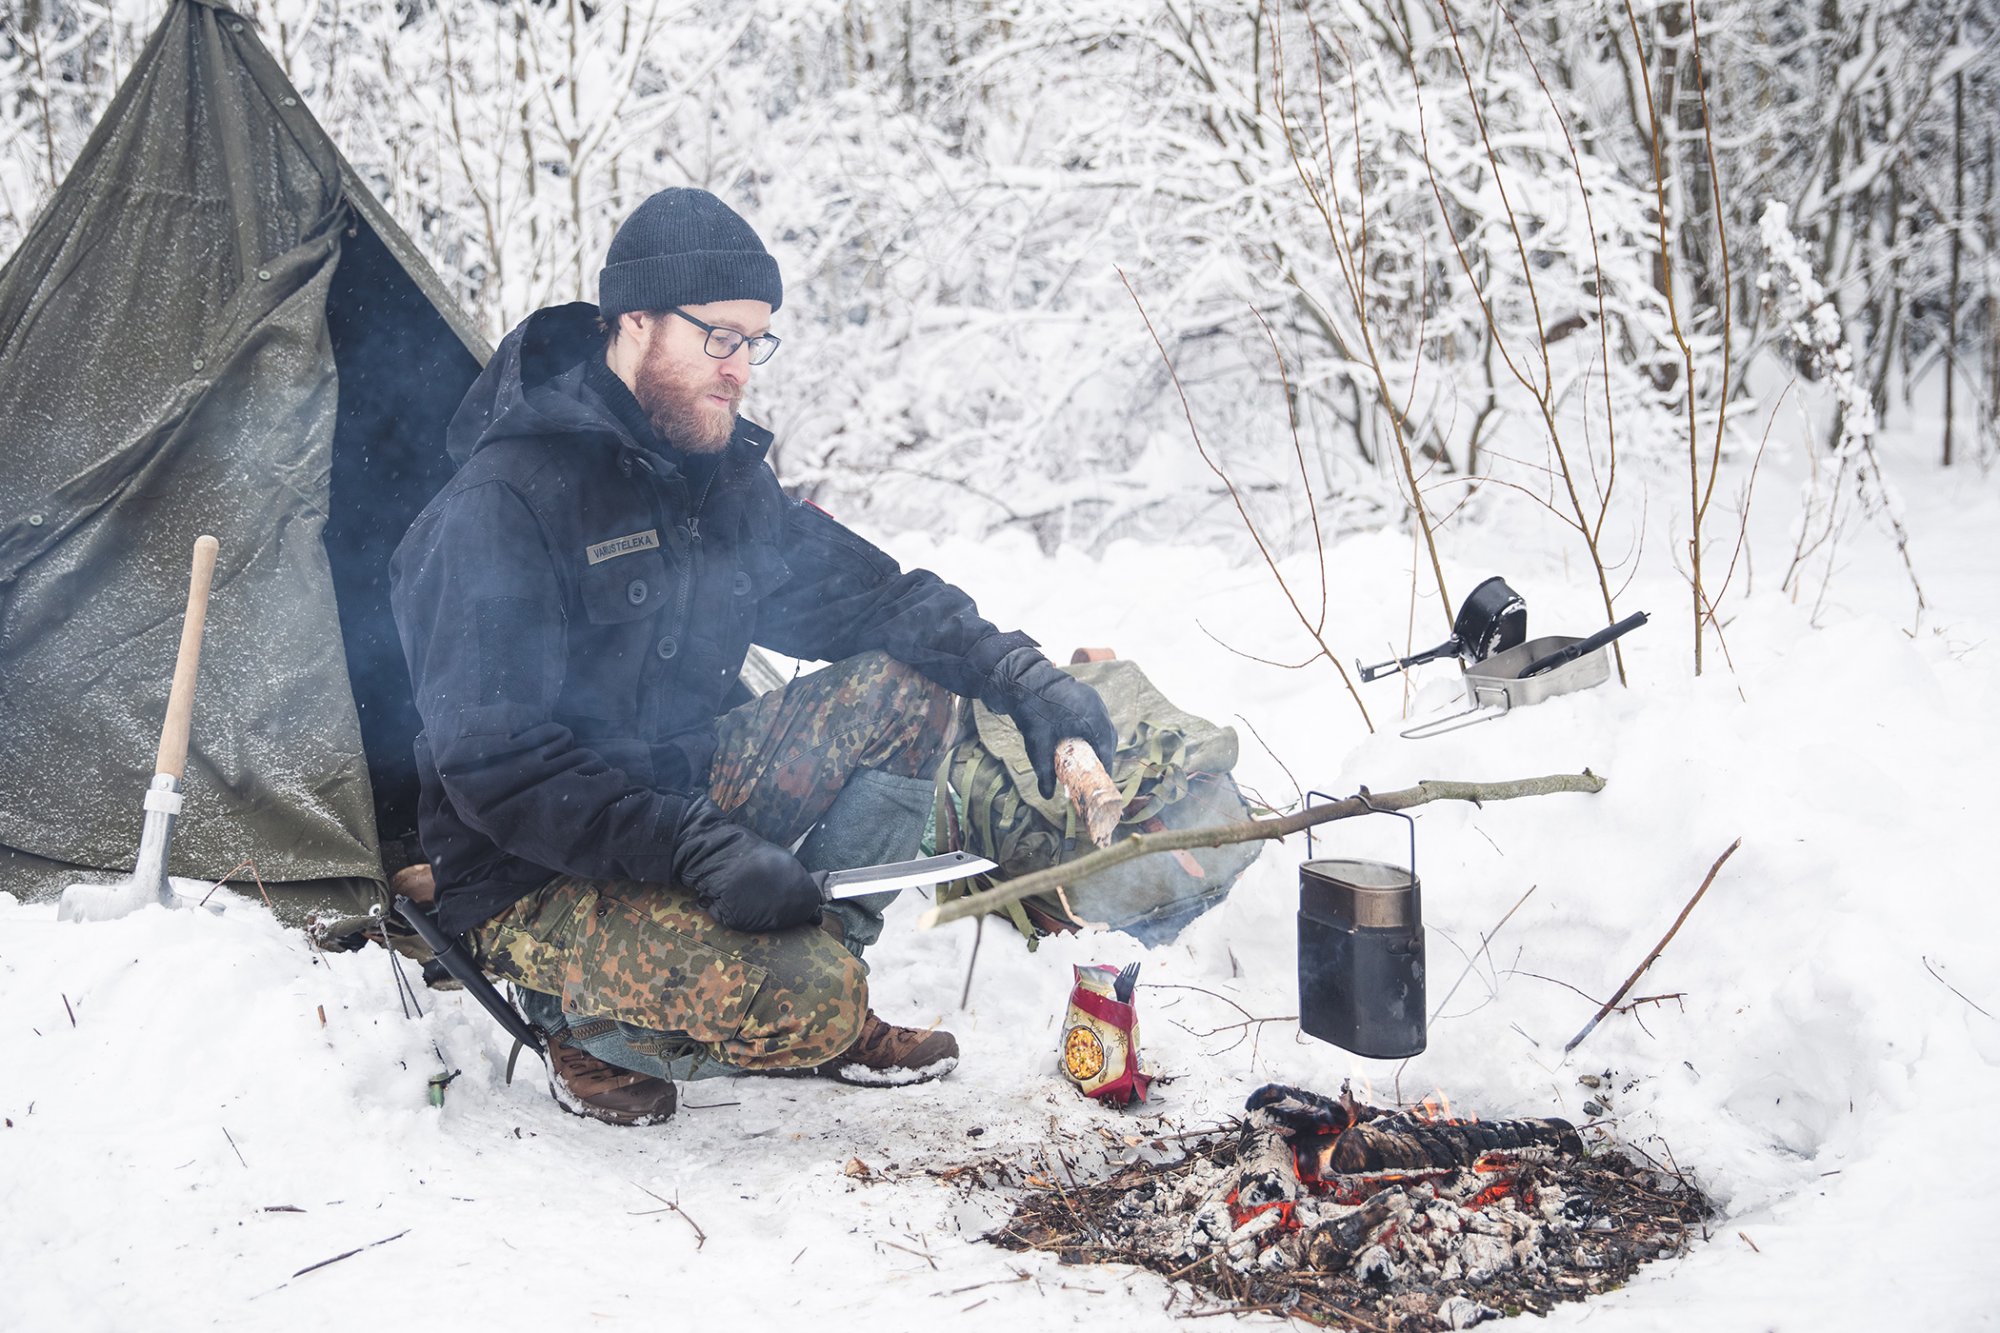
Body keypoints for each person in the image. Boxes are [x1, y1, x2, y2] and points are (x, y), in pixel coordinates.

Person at [390, 188, 1116, 1126]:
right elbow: (497, 764)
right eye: (719, 338)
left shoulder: (717, 481)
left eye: (755, 342)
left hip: (677, 791)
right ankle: (575, 1017)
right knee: (802, 1001)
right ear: (636, 321)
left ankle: (827, 980)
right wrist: (691, 845)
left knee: (911, 681)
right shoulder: (504, 503)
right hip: (532, 868)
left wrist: (1018, 672)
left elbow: (881, 599)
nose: (740, 370)